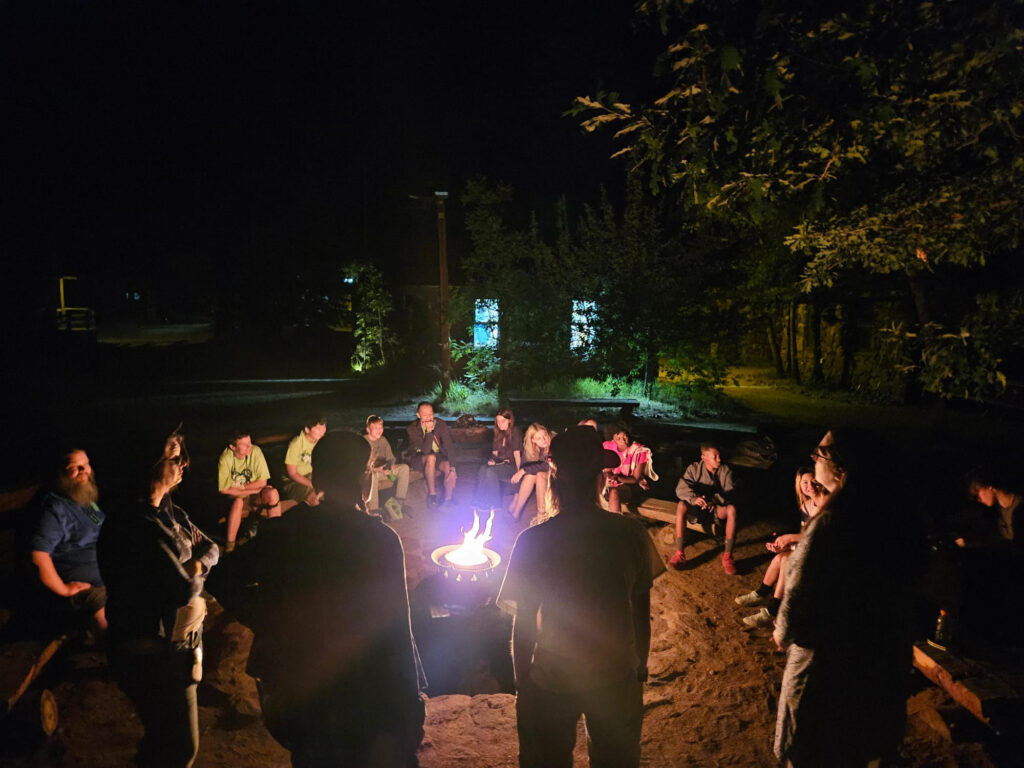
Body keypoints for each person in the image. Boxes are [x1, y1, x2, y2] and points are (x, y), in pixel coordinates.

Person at [216, 431, 425, 768]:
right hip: (362, 689)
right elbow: (397, 629)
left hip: (300, 690)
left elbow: (222, 577)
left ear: (319, 477)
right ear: (361, 478)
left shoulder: (288, 530)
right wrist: (409, 705)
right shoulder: (378, 540)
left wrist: (271, 617)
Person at [498, 426, 666, 768]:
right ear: (600, 481)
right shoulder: (630, 534)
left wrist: (523, 685)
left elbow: (525, 621)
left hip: (552, 676)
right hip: (615, 674)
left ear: (555, 482)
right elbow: (640, 610)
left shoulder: (534, 540)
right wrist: (640, 667)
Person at [773, 428, 917, 768]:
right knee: (856, 749)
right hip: (880, 660)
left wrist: (783, 631)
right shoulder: (899, 519)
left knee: (812, 749)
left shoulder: (834, 523)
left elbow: (800, 589)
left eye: (819, 454)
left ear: (841, 468)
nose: (813, 460)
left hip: (827, 665)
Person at [99, 435, 219, 768]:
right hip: (149, 651)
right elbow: (180, 590)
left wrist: (196, 563)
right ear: (148, 465)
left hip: (175, 645)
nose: (184, 464)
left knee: (165, 741)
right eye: (174, 458)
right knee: (179, 747)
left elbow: (212, 548)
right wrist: (195, 568)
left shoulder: (169, 510)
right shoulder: (134, 524)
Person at [28, 448, 107, 635]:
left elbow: (100, 526)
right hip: (84, 588)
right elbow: (38, 556)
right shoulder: (54, 508)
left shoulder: (84, 499)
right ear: (61, 473)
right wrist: (64, 589)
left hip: (106, 575)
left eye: (85, 464)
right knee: (101, 607)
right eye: (75, 467)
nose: (83, 470)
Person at [735, 468, 826, 628]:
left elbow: (820, 537)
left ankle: (773, 611)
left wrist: (790, 538)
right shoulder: (807, 505)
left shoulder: (826, 504)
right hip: (809, 548)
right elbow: (805, 536)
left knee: (786, 562)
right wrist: (786, 546)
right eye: (805, 482)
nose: (810, 486)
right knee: (779, 557)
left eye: (814, 481)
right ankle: (762, 593)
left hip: (823, 553)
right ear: (799, 485)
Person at [669, 442, 739, 574]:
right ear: (704, 457)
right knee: (681, 505)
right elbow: (681, 488)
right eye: (715, 457)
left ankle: (727, 556)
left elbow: (730, 493)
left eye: (719, 456)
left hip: (716, 509)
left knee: (732, 509)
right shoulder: (694, 469)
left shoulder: (725, 471)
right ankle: (679, 553)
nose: (719, 459)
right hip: (698, 509)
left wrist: (714, 501)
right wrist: (694, 498)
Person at [217, 430, 281, 552]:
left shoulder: (255, 451)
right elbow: (224, 490)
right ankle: (230, 546)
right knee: (238, 502)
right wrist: (249, 490)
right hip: (237, 498)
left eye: (250, 442)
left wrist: (239, 487)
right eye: (244, 444)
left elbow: (263, 482)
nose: (249, 447)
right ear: (232, 447)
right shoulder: (225, 458)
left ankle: (276, 534)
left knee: (272, 493)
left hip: (253, 494)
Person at [405, 402, 457, 506]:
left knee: (447, 465)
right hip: (417, 458)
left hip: (437, 456)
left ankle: (448, 499)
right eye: (425, 415)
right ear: (418, 415)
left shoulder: (440, 424)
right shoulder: (412, 429)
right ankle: (432, 495)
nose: (429, 418)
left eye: (431, 414)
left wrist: (453, 468)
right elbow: (425, 450)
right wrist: (429, 431)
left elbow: (449, 446)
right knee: (431, 457)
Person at [602, 425, 658, 514]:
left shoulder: (639, 451)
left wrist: (616, 478)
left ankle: (616, 523)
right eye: (618, 438)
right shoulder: (608, 447)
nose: (622, 440)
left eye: (625, 436)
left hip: (631, 486)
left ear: (629, 435)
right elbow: (605, 469)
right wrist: (608, 475)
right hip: (610, 482)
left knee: (614, 492)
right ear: (613, 438)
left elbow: (635, 479)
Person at [475, 407, 523, 510]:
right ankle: (480, 499)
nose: (500, 424)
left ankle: (495, 503)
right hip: (500, 464)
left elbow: (517, 455)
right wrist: (492, 460)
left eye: (503, 421)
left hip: (512, 467)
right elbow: (495, 454)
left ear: (509, 420)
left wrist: (519, 473)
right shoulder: (498, 433)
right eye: (498, 421)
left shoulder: (515, 432)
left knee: (490, 472)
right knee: (483, 469)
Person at [365, 414, 410, 519]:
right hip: (372, 473)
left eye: (380, 427)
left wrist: (390, 468)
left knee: (404, 468)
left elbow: (390, 458)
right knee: (373, 476)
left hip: (386, 473)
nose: (379, 430)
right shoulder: (364, 442)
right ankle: (374, 510)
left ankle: (399, 502)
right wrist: (377, 470)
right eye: (375, 428)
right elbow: (363, 466)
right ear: (368, 429)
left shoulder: (383, 440)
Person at [280, 415, 327, 513]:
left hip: (312, 476)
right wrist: (313, 484)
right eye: (318, 428)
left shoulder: (321, 442)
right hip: (293, 481)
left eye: (323, 427)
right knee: (315, 500)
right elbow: (292, 474)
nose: (322, 431)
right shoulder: (296, 444)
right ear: (307, 429)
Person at [508, 423, 554, 522]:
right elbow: (524, 468)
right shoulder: (530, 449)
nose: (544, 440)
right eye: (539, 438)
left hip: (557, 474)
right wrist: (524, 471)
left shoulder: (555, 442)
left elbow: (547, 465)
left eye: (545, 435)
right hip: (542, 475)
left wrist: (523, 470)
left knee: (539, 474)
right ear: (532, 440)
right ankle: (516, 512)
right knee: (530, 475)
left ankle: (541, 514)